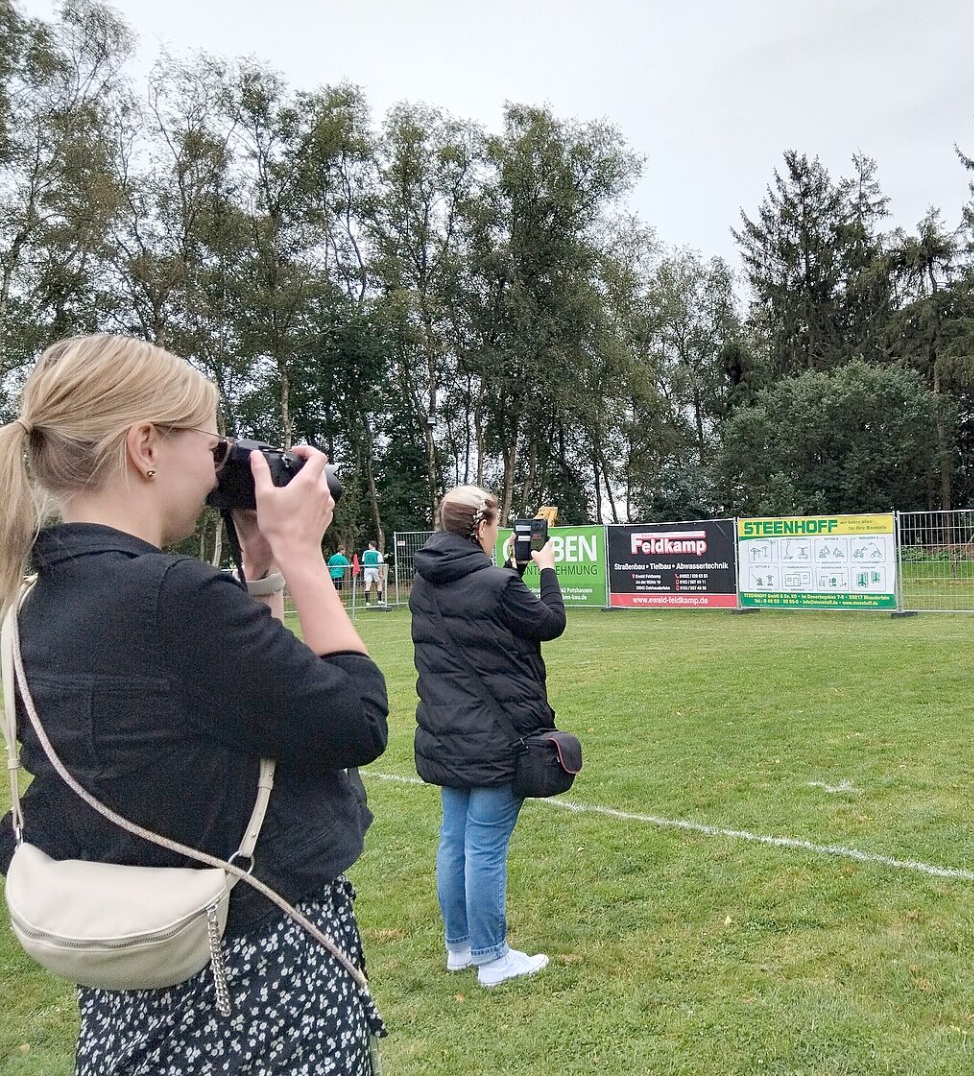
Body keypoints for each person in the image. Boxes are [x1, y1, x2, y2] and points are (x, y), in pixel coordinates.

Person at [0, 334, 388, 1072]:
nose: (220, 470)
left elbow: (259, 714)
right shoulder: (173, 596)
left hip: (134, 982)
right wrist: (306, 559)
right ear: (145, 446)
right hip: (252, 982)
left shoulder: (39, 601)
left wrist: (263, 574)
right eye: (214, 448)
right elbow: (354, 722)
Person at [410, 485, 566, 987]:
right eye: (495, 524)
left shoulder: (423, 582)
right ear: (480, 528)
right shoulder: (496, 583)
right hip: (497, 734)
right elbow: (548, 622)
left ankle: (460, 947)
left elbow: (490, 616)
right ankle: (493, 957)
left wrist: (512, 570)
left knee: (454, 840)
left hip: (447, 731)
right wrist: (545, 568)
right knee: (483, 847)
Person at [361, 540, 386, 606]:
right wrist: (380, 573)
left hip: (367, 569)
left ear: (371, 545)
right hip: (375, 569)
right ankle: (379, 600)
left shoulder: (365, 552)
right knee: (379, 583)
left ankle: (367, 602)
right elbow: (380, 563)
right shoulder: (378, 553)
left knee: (368, 585)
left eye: (369, 544)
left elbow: (363, 561)